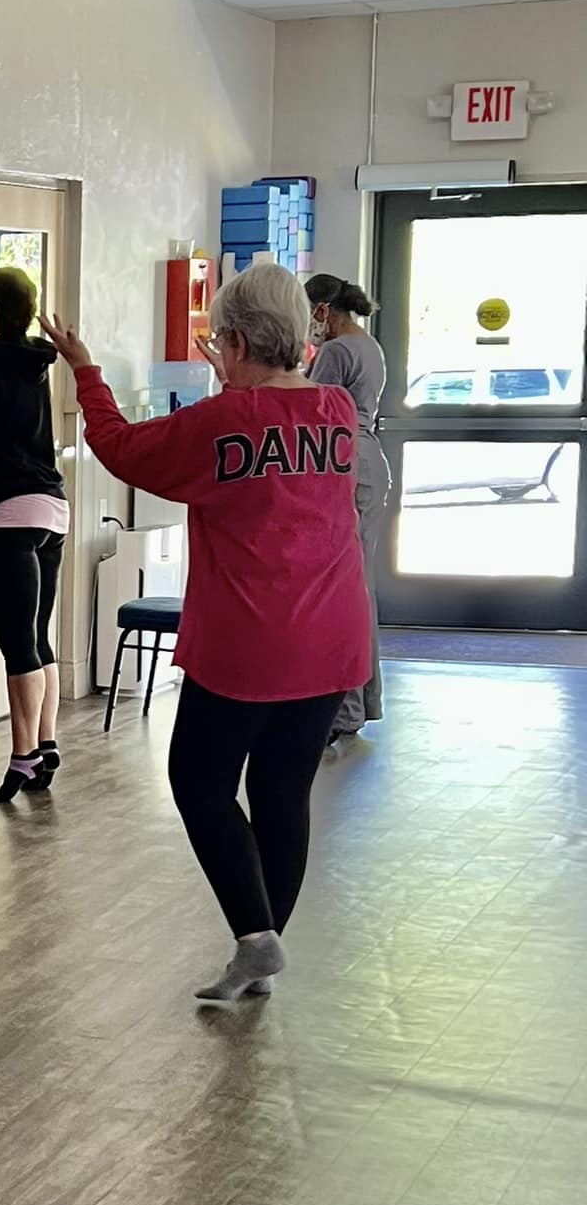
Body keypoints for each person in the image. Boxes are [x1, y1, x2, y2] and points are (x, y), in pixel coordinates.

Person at [43, 261, 369, 1003]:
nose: (215, 352)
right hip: (331, 635)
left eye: (220, 341)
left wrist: (86, 369)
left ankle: (256, 939)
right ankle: (262, 947)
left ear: (241, 340)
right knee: (284, 793)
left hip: (251, 642)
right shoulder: (336, 412)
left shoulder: (225, 420)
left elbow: (122, 448)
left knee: (198, 781)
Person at [0, 266, 68, 804]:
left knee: (16, 645)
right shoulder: (38, 363)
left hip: (4, 512)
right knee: (38, 634)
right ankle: (45, 744)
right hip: (52, 507)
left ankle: (23, 756)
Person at [304, 273, 390, 747]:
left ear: (323, 309)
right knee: (362, 585)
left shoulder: (336, 353)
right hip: (370, 462)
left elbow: (310, 409)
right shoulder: (369, 345)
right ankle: (361, 700)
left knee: (347, 589)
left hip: (348, 466)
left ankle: (348, 706)